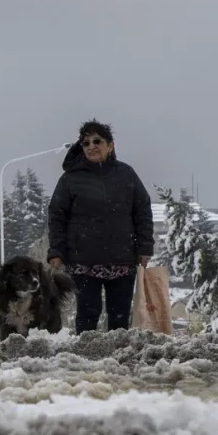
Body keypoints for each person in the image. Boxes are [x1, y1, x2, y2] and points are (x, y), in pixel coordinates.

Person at [46, 120, 154, 334]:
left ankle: (120, 360)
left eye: (97, 141)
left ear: (110, 146)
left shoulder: (126, 174)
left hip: (122, 259)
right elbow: (57, 216)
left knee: (120, 317)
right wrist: (56, 251)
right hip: (83, 260)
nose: (91, 146)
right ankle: (84, 360)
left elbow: (142, 211)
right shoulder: (70, 178)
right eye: (86, 143)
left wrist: (144, 247)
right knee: (87, 314)